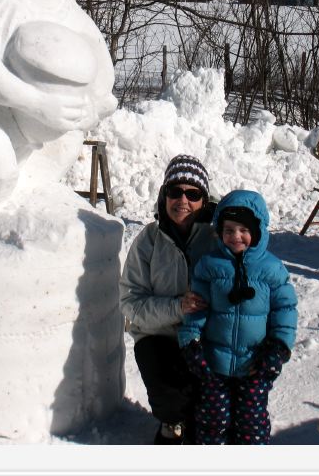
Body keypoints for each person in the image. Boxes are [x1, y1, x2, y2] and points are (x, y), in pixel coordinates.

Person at [178, 189, 298, 445]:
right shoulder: (209, 265)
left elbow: (285, 310)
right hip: (214, 365)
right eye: (229, 229)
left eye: (243, 229)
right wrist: (191, 341)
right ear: (219, 231)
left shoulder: (272, 269)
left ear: (257, 231)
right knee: (212, 423)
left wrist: (278, 348)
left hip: (254, 365)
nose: (236, 236)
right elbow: (197, 307)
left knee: (251, 425)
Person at [120, 154, 217, 444]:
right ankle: (171, 425)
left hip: (205, 336)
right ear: (164, 196)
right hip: (157, 337)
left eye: (193, 193)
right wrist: (177, 307)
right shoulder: (148, 241)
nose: (183, 200)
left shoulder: (216, 239)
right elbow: (131, 302)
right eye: (175, 191)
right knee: (171, 398)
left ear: (204, 200)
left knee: (210, 396)